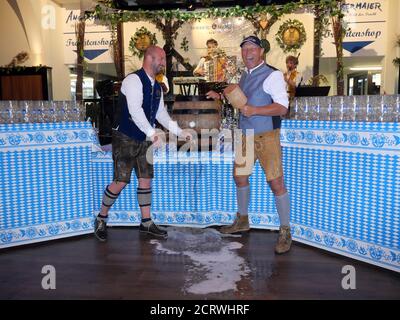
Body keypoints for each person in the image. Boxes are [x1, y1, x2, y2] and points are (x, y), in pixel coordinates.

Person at [94, 45, 192, 242]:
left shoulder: (157, 86)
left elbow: (160, 114)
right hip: (125, 136)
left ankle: (146, 222)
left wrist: (180, 132)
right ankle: (101, 218)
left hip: (145, 138)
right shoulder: (133, 80)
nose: (164, 63)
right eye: (162, 59)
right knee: (120, 181)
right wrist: (153, 133)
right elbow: (135, 111)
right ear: (150, 58)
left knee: (145, 179)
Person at [206, 36, 292, 254]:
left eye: (252, 48)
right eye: (244, 50)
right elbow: (241, 101)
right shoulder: (244, 75)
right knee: (240, 176)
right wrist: (221, 96)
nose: (248, 53)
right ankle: (242, 220)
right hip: (245, 135)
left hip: (267, 136)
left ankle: (285, 230)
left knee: (276, 182)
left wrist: (255, 111)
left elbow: (282, 108)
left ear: (261, 51)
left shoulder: (272, 74)